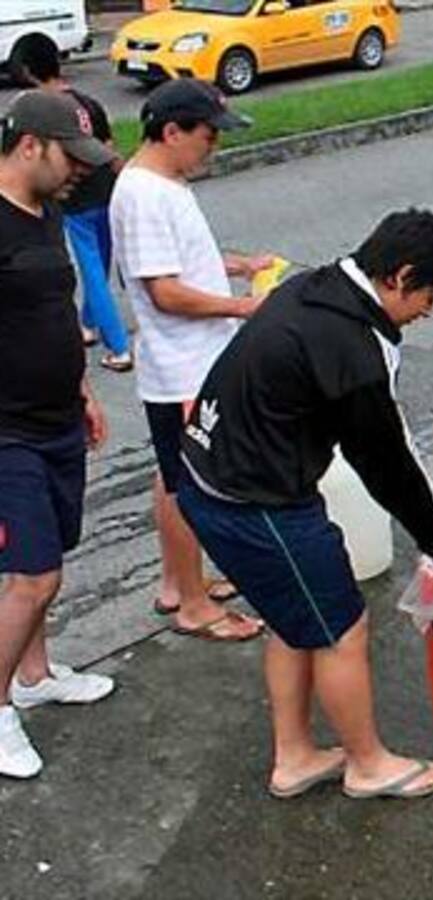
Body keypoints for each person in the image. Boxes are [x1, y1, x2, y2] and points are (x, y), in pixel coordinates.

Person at [176, 209, 433, 800]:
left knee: (294, 622)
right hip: (256, 504)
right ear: (400, 276)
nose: (428, 312)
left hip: (207, 481)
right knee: (342, 627)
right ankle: (368, 765)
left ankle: (294, 756)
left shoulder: (313, 288)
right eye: (430, 296)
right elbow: (386, 465)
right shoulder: (349, 347)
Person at [110, 79, 272, 642]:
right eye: (208, 136)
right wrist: (245, 308)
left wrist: (238, 264)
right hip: (182, 367)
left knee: (173, 475)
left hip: (189, 363)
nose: (214, 147)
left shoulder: (164, 183)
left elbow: (184, 263)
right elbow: (164, 293)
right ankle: (194, 606)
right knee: (191, 486)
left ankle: (179, 583)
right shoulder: (145, 195)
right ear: (172, 131)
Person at [0, 91, 116, 779]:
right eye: (70, 157)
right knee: (33, 577)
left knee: (45, 567)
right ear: (29, 146)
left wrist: (82, 389)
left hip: (56, 421)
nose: (79, 170)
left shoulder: (45, 213)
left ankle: (35, 675)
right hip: (6, 432)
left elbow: (51, 313)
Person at [14, 34, 133, 372]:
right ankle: (88, 325)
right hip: (107, 194)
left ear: (26, 69)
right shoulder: (88, 102)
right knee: (102, 268)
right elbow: (108, 147)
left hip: (76, 203)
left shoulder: (36, 110)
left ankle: (119, 347)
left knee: (92, 273)